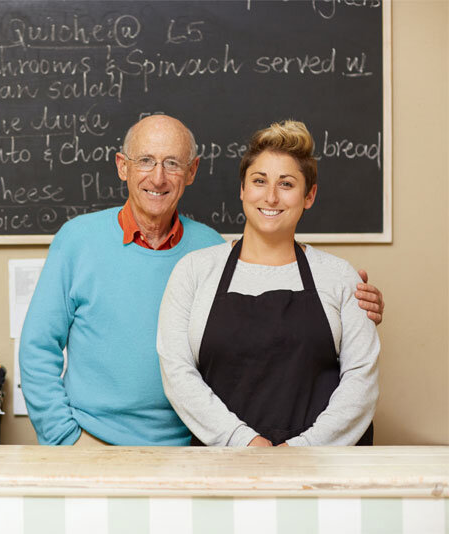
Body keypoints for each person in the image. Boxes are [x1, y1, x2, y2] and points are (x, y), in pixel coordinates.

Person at [20, 115, 384, 446]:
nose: (158, 177)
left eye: (173, 163)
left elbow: (272, 254)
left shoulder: (209, 247)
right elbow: (37, 348)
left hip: (192, 448)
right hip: (94, 442)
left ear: (192, 171)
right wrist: (66, 438)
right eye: (145, 160)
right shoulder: (79, 240)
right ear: (122, 166)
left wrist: (344, 290)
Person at [157, 120, 378, 446]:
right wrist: (244, 442)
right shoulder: (194, 271)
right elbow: (177, 374)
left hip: (323, 468)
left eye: (286, 184)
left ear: (309, 195)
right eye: (259, 181)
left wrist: (302, 449)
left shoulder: (340, 276)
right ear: (243, 190)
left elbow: (361, 379)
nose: (271, 197)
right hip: (224, 466)